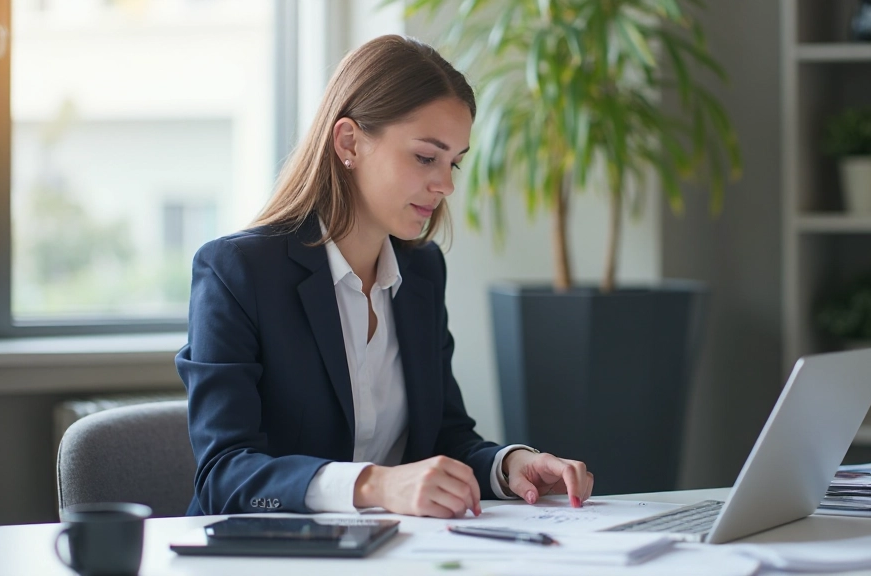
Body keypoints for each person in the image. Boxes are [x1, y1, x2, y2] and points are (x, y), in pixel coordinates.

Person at [176, 34, 594, 518]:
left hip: (395, 553)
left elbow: (443, 438)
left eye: (454, 161)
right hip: (265, 558)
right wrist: (374, 486)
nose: (446, 184)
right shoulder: (237, 273)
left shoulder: (421, 272)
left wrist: (509, 466)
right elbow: (224, 478)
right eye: (425, 157)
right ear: (349, 142)